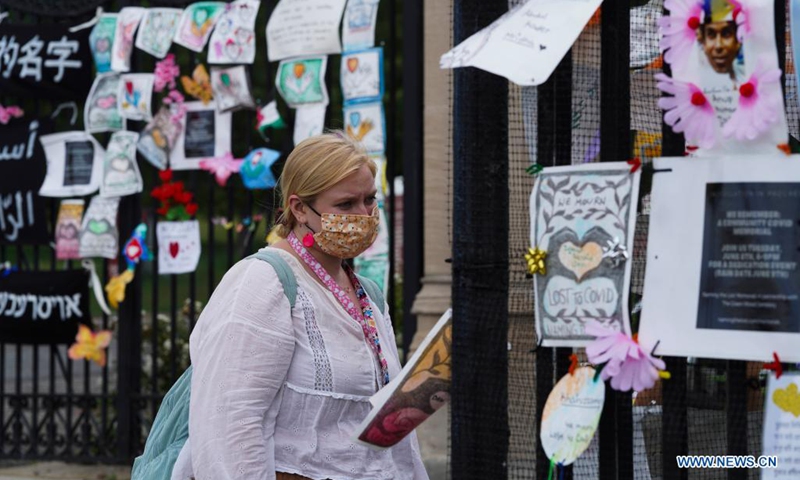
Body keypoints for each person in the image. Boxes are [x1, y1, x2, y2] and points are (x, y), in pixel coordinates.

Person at [176, 133, 428, 479]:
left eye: (370, 199)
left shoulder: (367, 294)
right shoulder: (264, 282)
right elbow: (230, 422)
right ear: (298, 208)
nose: (364, 215)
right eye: (345, 205)